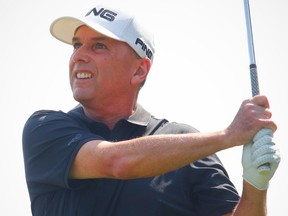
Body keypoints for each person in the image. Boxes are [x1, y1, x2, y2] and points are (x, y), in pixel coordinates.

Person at [22, 3, 280, 216]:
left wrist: (255, 185)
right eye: (77, 45)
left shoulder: (186, 142)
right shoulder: (45, 128)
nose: (78, 56)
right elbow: (116, 162)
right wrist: (228, 136)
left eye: (99, 45)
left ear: (139, 70)